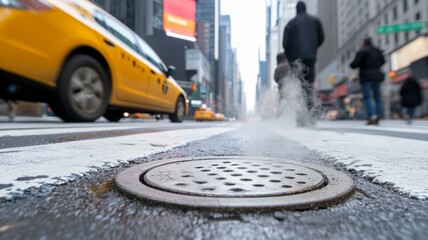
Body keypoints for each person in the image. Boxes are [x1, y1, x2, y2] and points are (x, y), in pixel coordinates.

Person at [282, 1, 324, 110]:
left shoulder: (290, 23)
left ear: (296, 10)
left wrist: (290, 59)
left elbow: (285, 44)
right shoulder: (315, 21)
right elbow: (321, 38)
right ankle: (309, 110)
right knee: (309, 83)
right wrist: (313, 48)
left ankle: (301, 112)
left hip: (296, 59)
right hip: (310, 57)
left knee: (299, 84)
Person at [350, 37, 385, 125]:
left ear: (364, 43)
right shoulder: (378, 50)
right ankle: (378, 115)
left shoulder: (362, 51)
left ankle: (371, 116)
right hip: (377, 75)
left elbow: (355, 64)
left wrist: (353, 65)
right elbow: (383, 61)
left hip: (366, 76)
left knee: (367, 97)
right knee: (377, 97)